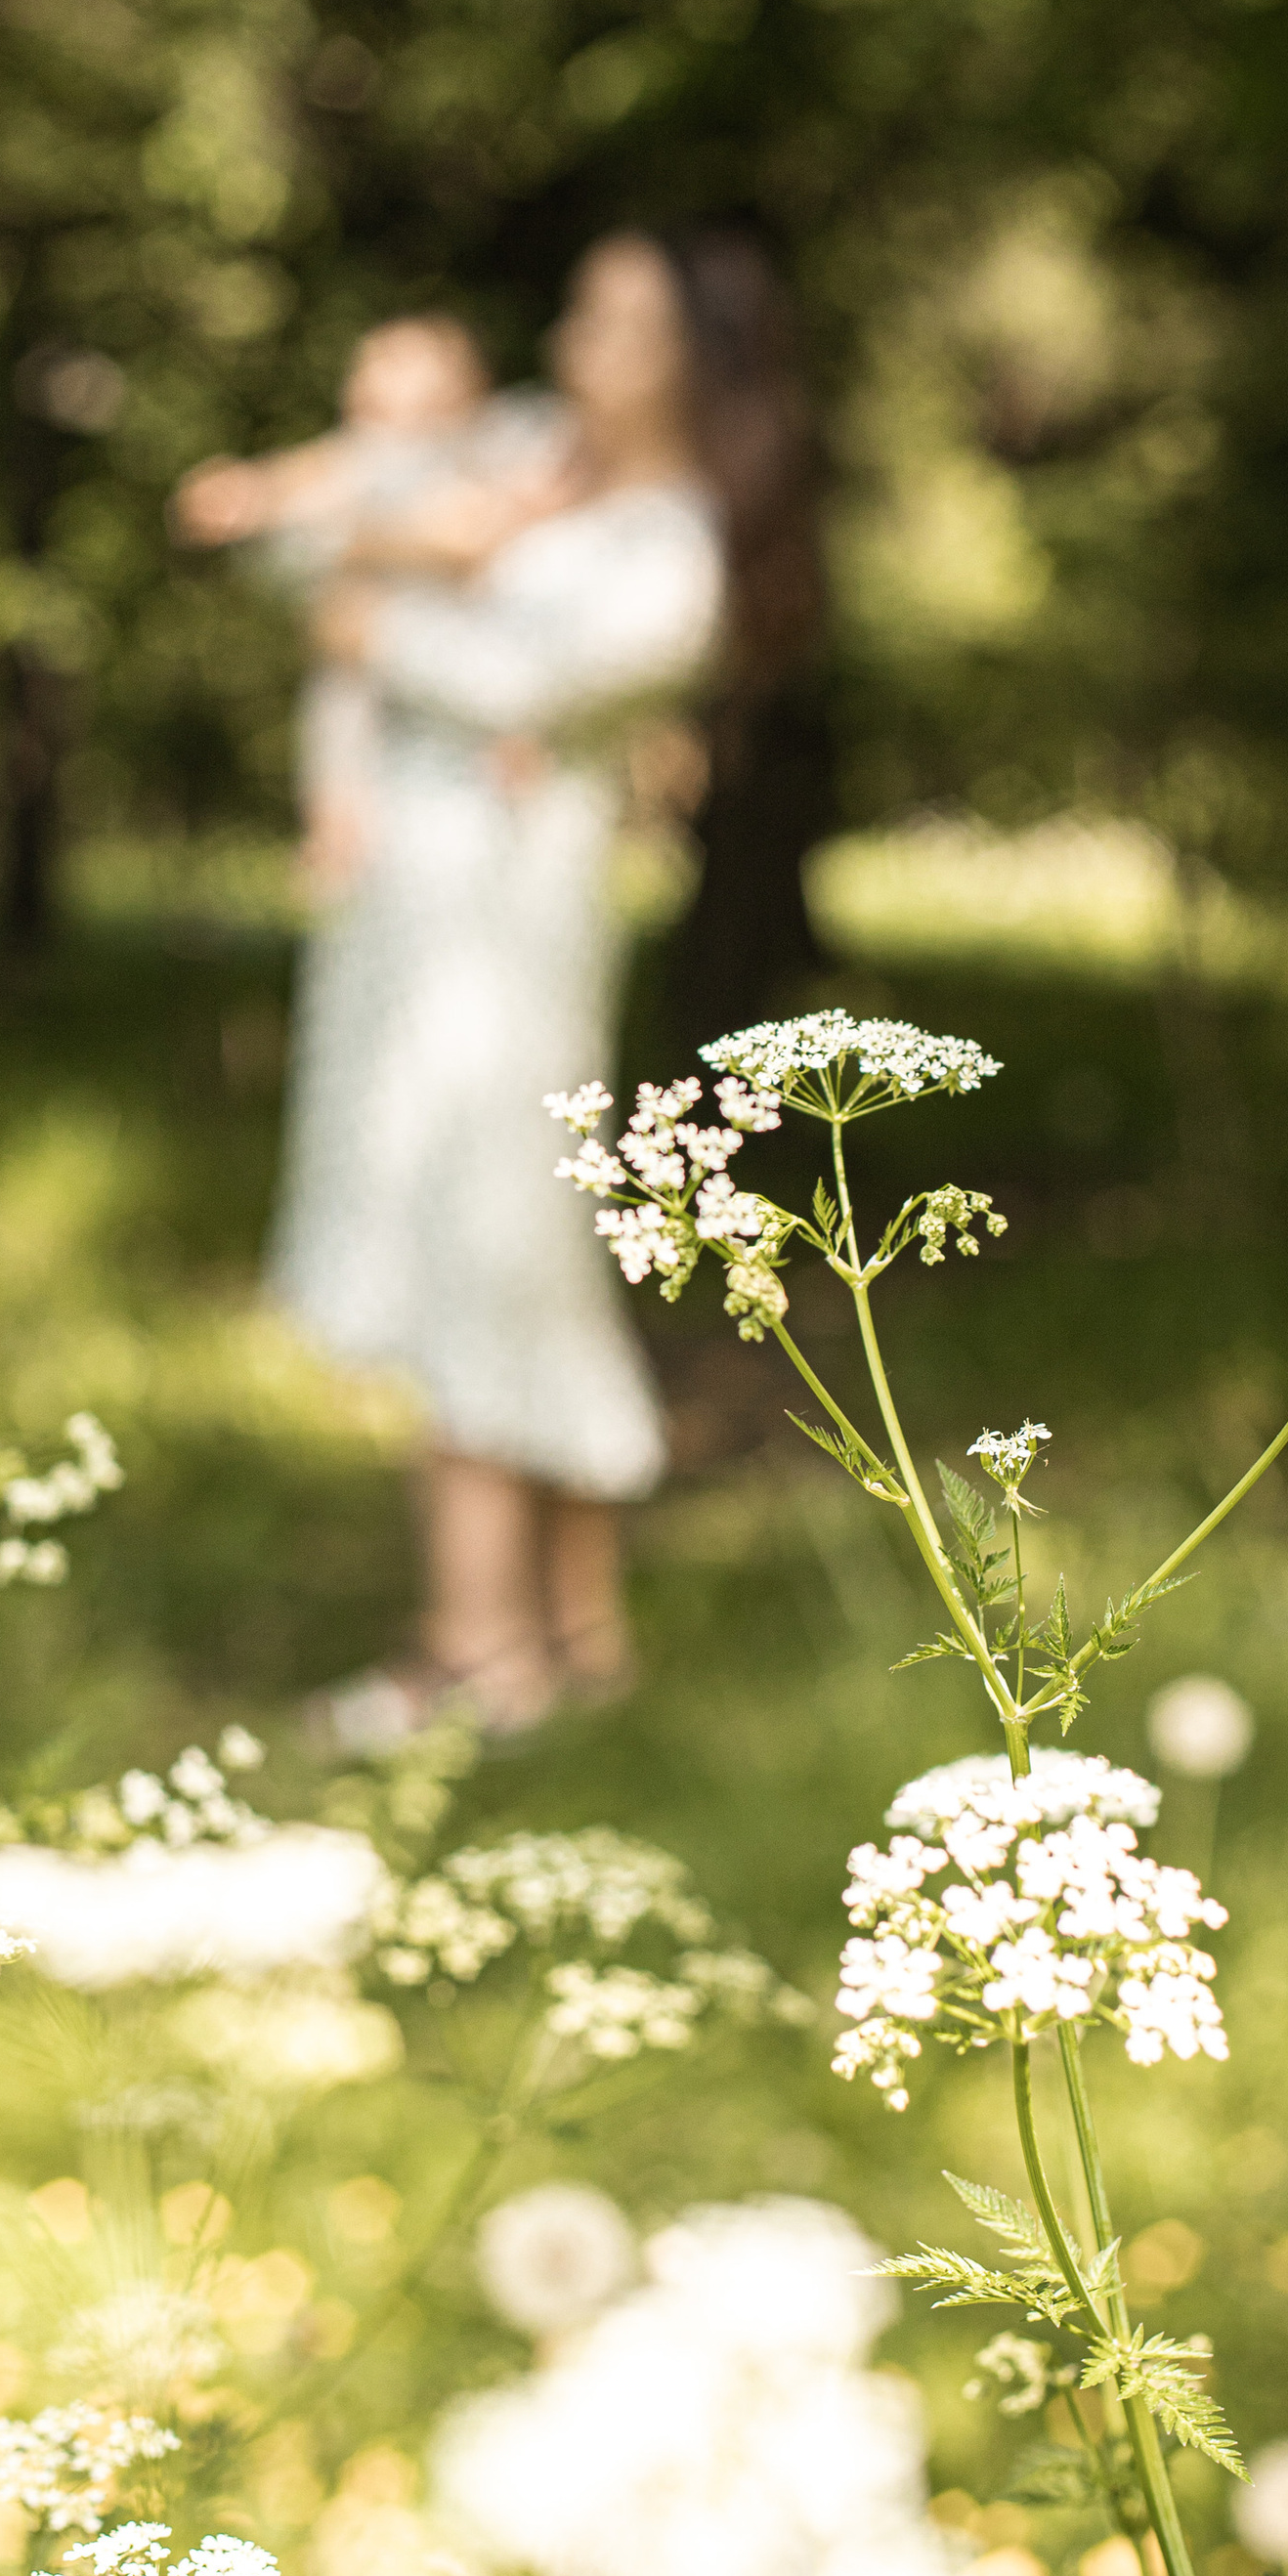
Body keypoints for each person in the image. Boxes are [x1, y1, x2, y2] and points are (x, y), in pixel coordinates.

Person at [179, 229, 820, 1744]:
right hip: (409, 902)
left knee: (494, 1240)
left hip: (512, 925)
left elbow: (520, 685)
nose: (578, 337)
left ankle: (481, 1658)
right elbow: (296, 536)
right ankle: (577, 1643)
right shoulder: (525, 446)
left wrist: (384, 606)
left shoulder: (674, 546)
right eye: (582, 306)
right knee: (505, 1244)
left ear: (695, 360)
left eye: (621, 319)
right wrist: (402, 554)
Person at [175, 314, 566, 902]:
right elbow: (309, 475)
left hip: (469, 650)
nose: (368, 380)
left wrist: (353, 539)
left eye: (394, 364)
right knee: (341, 687)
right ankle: (334, 821)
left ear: (460, 383)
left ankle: (515, 745)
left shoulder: (497, 439)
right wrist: (249, 494)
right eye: (368, 366)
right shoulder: (371, 457)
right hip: (390, 656)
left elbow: (486, 529)